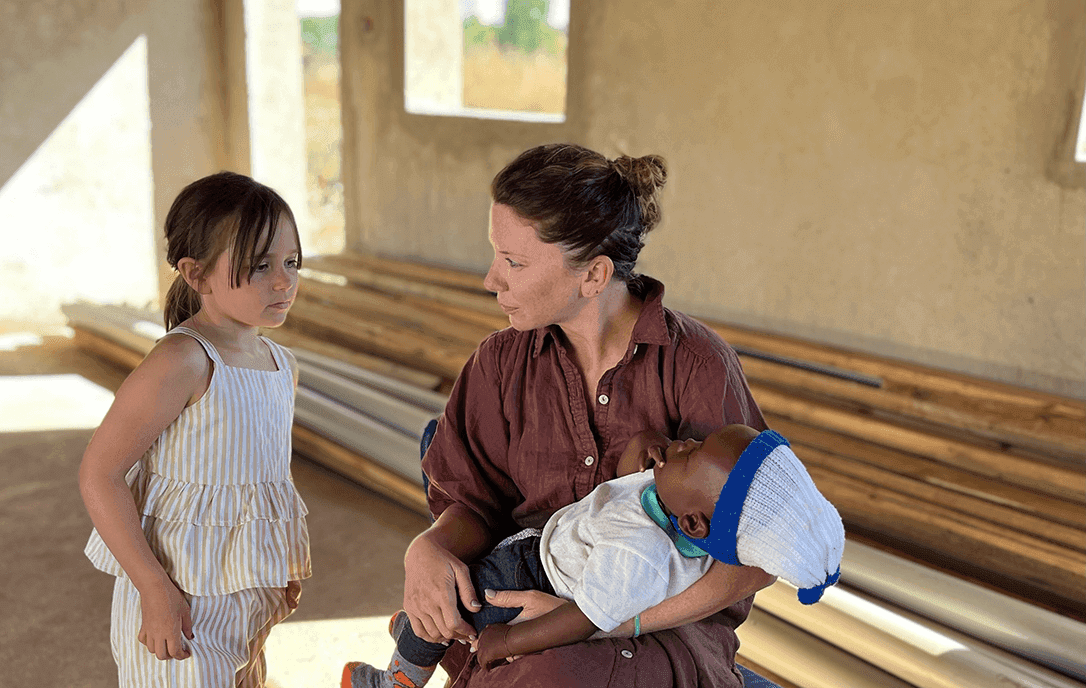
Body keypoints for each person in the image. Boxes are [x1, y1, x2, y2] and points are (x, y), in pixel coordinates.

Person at [402, 143, 777, 688]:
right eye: (496, 254)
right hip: (524, 592)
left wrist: (605, 625)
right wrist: (428, 548)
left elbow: (755, 558)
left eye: (514, 262)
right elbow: (474, 504)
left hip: (656, 628)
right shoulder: (499, 362)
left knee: (551, 672)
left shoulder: (696, 365)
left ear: (595, 276)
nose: (491, 280)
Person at [345, 424, 845, 687]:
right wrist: (639, 450)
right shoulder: (670, 502)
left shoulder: (644, 554)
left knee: (452, 603)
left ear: (695, 523)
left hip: (537, 579)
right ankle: (427, 639)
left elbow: (584, 618)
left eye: (693, 452)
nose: (686, 441)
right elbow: (613, 492)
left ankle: (398, 679)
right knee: (443, 602)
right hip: (536, 546)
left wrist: (509, 639)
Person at [79, 171, 311, 687]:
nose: (283, 281)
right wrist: (153, 591)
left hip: (248, 601)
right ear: (195, 272)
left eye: (291, 262)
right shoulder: (182, 361)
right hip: (177, 605)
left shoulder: (280, 364)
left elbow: (262, 483)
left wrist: (276, 572)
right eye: (258, 266)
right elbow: (101, 474)